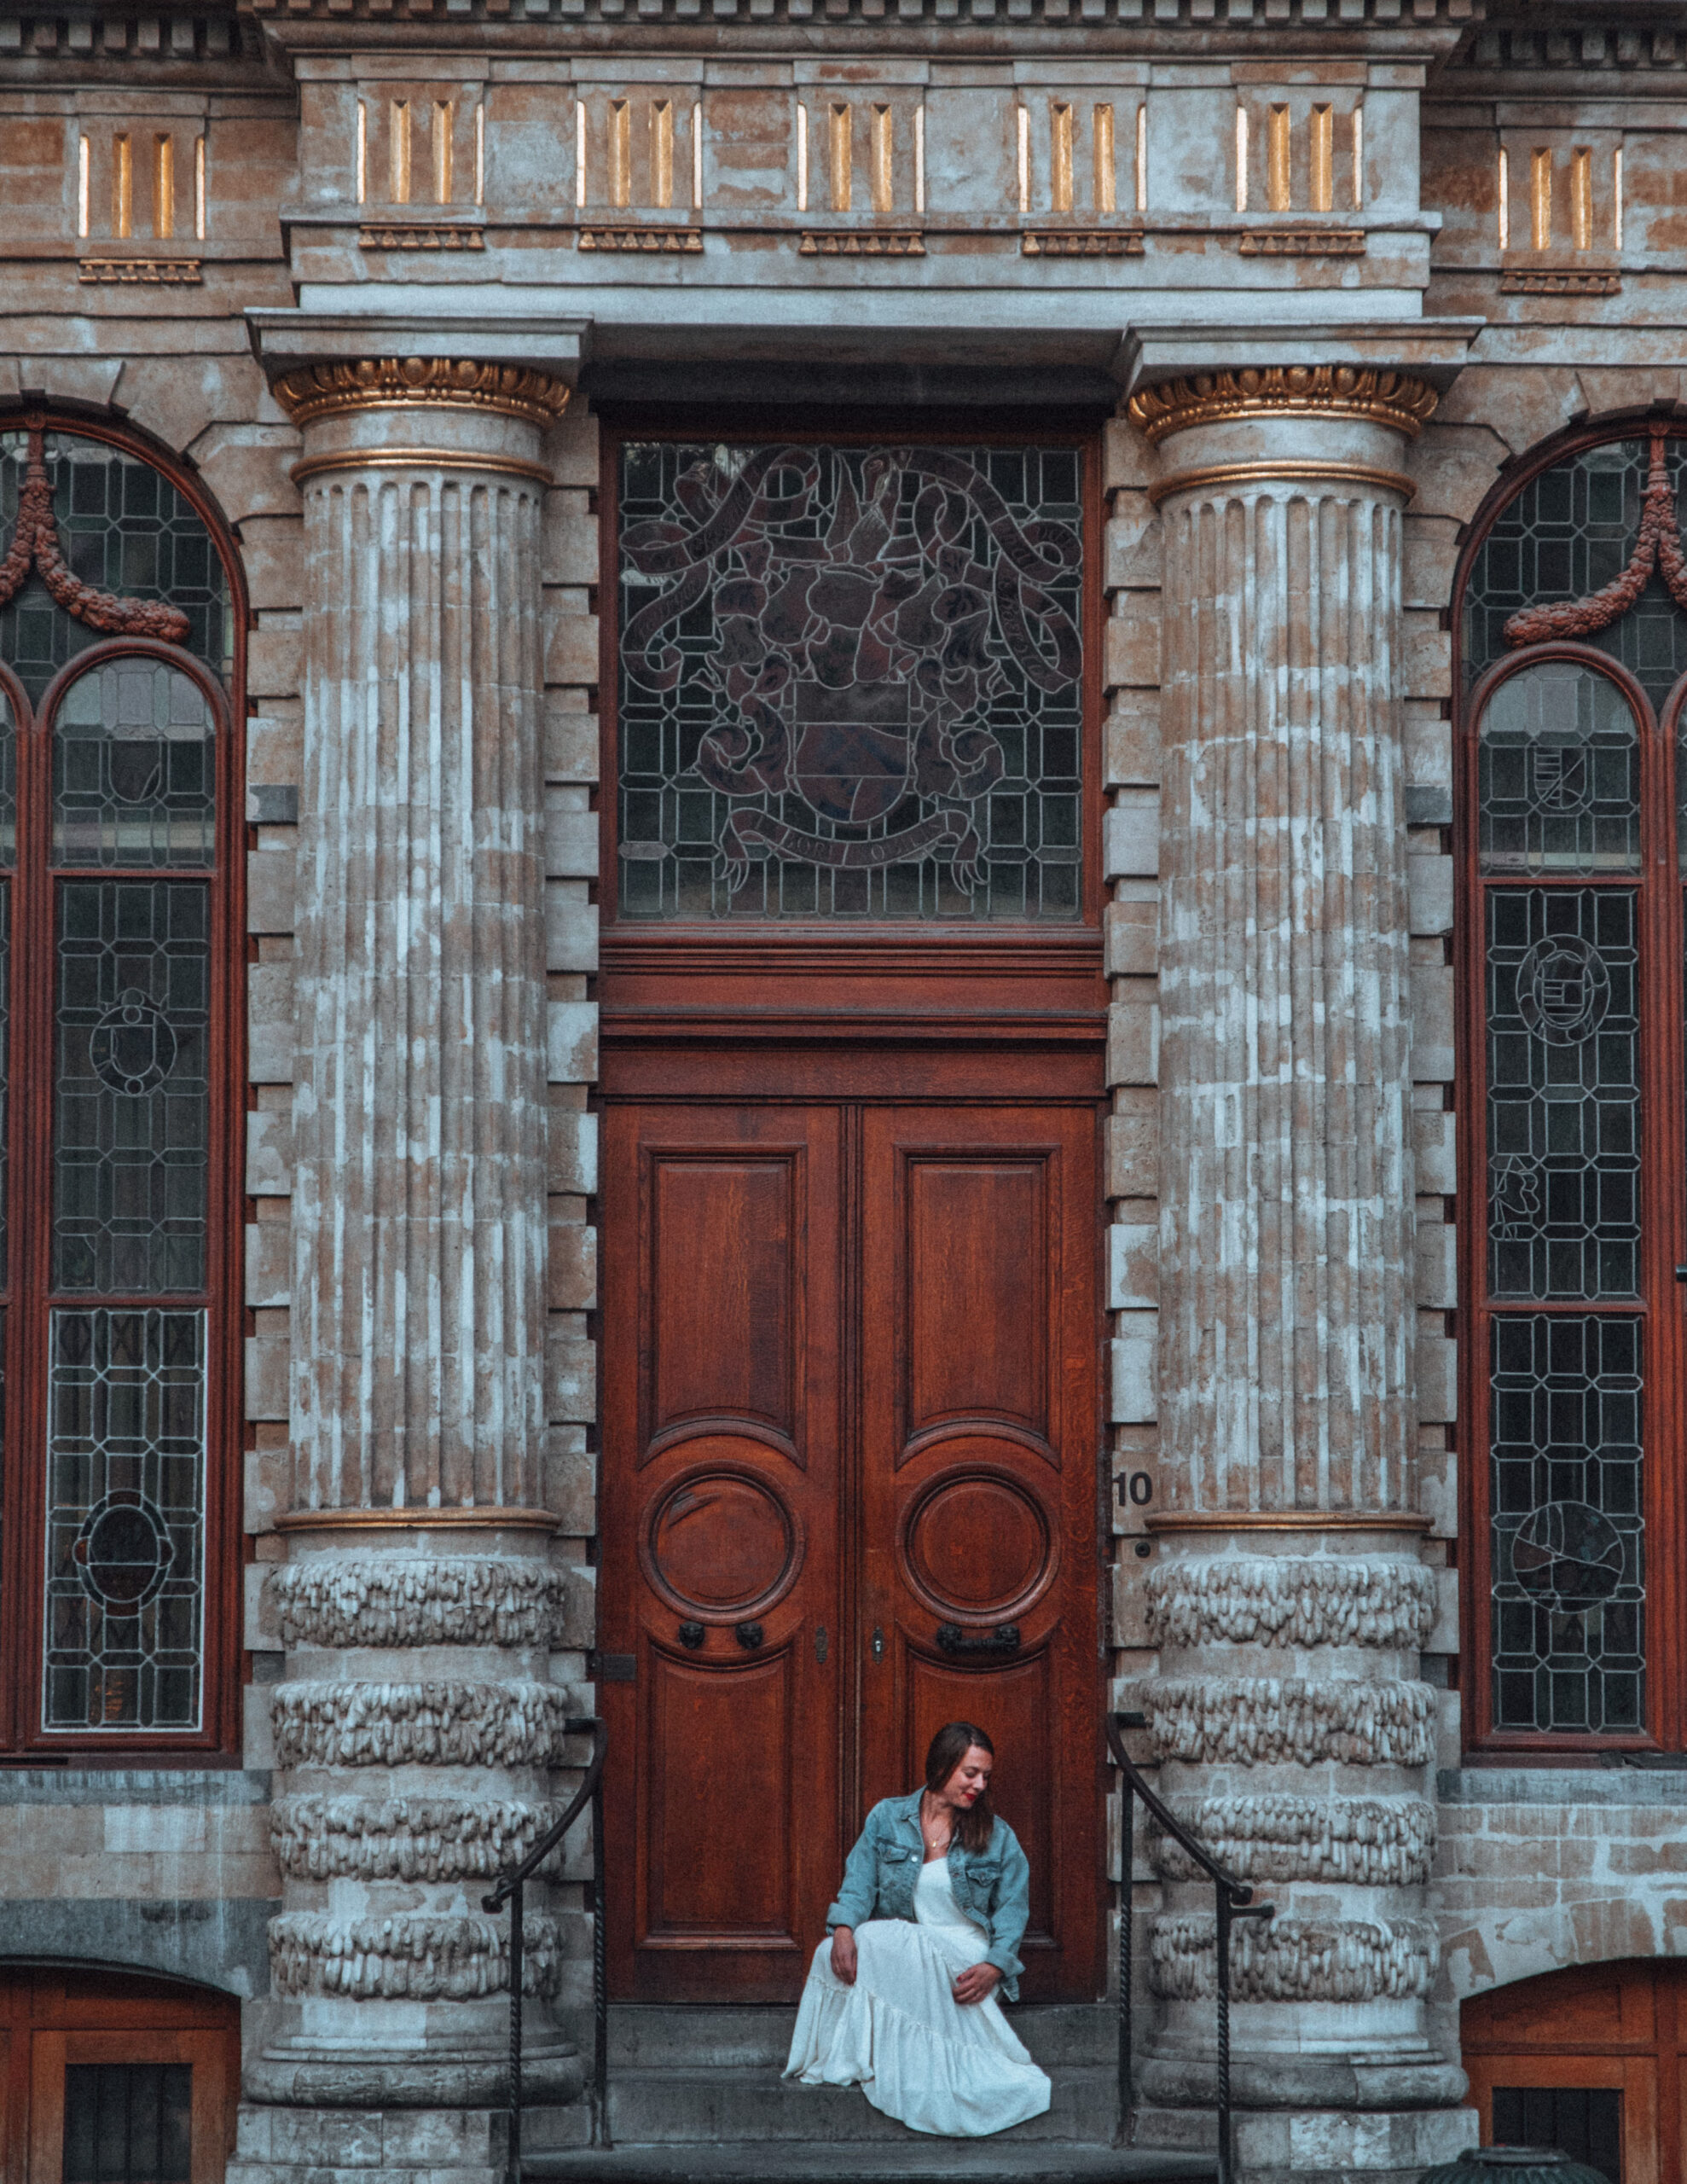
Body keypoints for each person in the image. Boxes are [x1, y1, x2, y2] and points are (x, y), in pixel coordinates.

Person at [782, 1721, 1052, 2136]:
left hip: (964, 1956)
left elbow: (1013, 1911)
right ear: (942, 1767)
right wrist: (842, 1930)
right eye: (970, 1773)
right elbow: (859, 1883)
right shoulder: (888, 1818)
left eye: (986, 1776)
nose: (980, 1784)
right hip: (904, 1950)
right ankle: (848, 2056)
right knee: (829, 1951)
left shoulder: (998, 1837)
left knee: (880, 1937)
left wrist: (996, 1966)